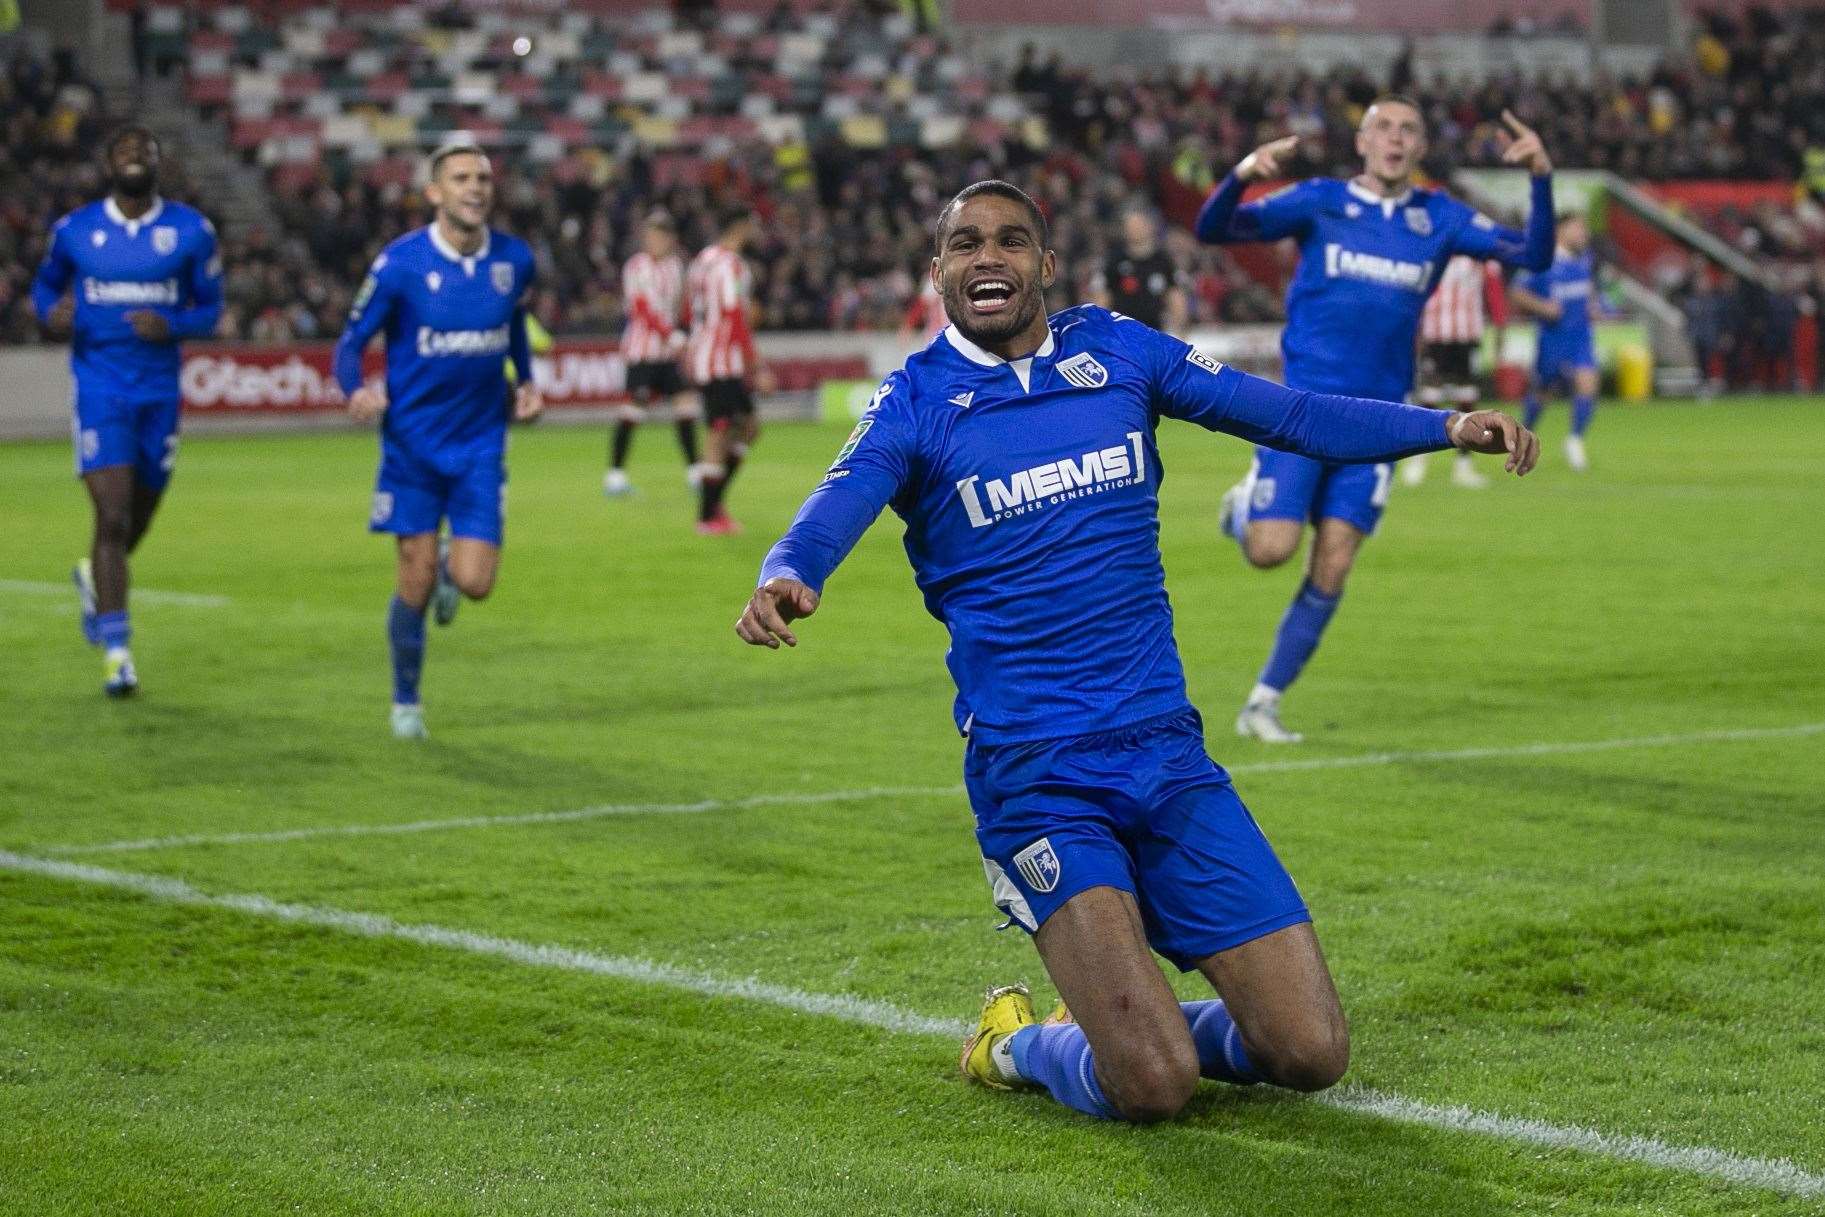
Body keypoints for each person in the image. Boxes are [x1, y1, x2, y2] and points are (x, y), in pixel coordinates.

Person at [735, 181, 1538, 1125]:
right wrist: (790, 569)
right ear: (938, 274)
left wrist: (1439, 426)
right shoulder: (915, 402)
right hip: (1038, 775)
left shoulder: (1117, 351)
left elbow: (1285, 415)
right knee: (1153, 1085)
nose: (985, 258)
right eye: (963, 245)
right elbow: (837, 499)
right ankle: (1014, 1043)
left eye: (1009, 241)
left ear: (1044, 263)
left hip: (1166, 754)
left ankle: (1132, 1017)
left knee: (1310, 1052)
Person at [1195, 98, 1555, 743]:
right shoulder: (1319, 200)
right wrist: (1247, 170)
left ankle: (1263, 703)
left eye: (1409, 129)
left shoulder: (1439, 218)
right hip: (1300, 413)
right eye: (1383, 127)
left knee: (1332, 566)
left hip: (1380, 424)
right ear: (1362, 142)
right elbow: (1215, 229)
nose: (1395, 138)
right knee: (1271, 551)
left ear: (1421, 147)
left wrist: (1540, 178)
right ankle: (1239, 509)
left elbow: (1533, 255)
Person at [332, 139, 541, 740]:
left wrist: (525, 383)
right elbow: (350, 344)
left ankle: (456, 569)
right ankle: (406, 701)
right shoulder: (399, 264)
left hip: (480, 445)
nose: (476, 187)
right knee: (413, 578)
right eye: (461, 178)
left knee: (475, 583)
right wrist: (355, 390)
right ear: (434, 193)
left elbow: (514, 327)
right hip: (412, 448)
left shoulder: (514, 260)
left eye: (482, 177)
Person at [31, 125, 223, 697]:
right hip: (100, 388)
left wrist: (176, 325)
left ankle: (94, 577)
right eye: (124, 151)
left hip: (159, 394)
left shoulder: (191, 232)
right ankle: (118, 653)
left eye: (145, 150)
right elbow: (44, 290)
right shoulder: (75, 231)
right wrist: (51, 314)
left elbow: (210, 309)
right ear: (108, 163)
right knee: (111, 517)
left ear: (158, 163)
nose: (135, 157)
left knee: (136, 519)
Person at [605, 209, 705, 499]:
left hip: (669, 354)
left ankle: (696, 472)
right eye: (650, 235)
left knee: (686, 406)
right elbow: (642, 308)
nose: (653, 241)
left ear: (670, 239)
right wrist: (670, 334)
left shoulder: (676, 267)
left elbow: (681, 306)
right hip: (643, 352)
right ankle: (615, 476)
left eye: (659, 236)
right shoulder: (636, 267)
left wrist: (685, 332)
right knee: (633, 410)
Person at [685, 205, 770, 535]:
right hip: (721, 361)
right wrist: (756, 364)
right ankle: (708, 514)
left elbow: (687, 306)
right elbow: (734, 317)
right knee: (721, 431)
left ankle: (713, 504)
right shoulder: (731, 265)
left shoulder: (702, 260)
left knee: (747, 427)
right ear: (742, 228)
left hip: (707, 356)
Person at [1404, 253, 1507, 489]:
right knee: (1429, 396)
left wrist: (1500, 327)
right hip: (1435, 334)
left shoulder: (1481, 255)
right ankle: (1418, 460)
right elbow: (1414, 289)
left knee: (1467, 397)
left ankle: (1463, 465)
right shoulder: (1431, 247)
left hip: (1466, 335)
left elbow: (1494, 291)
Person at [1512, 212, 1598, 471]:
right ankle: (1522, 437)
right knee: (1542, 392)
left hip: (1580, 337)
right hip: (1552, 339)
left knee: (1588, 382)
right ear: (1560, 231)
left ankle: (1574, 439)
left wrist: (1593, 304)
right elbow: (1516, 292)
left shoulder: (1585, 259)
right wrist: (1543, 307)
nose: (1583, 233)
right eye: (1577, 227)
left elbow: (1588, 288)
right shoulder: (1542, 260)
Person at [1091, 206, 1189, 334]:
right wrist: (1102, 329)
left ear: (1149, 227)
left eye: (1137, 225)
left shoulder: (1163, 261)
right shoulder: (1114, 261)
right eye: (1130, 226)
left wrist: (1180, 328)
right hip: (1122, 333)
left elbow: (1175, 296)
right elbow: (1103, 297)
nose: (1134, 229)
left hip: (1154, 332)